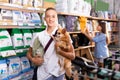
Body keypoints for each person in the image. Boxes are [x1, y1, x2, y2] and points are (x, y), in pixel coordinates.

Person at [27, 7, 75, 80]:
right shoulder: (39, 36)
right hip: (44, 75)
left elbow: (72, 56)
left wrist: (59, 51)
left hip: (59, 74)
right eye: (48, 16)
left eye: (53, 16)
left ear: (56, 18)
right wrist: (33, 60)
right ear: (44, 19)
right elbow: (28, 53)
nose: (50, 19)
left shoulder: (64, 34)